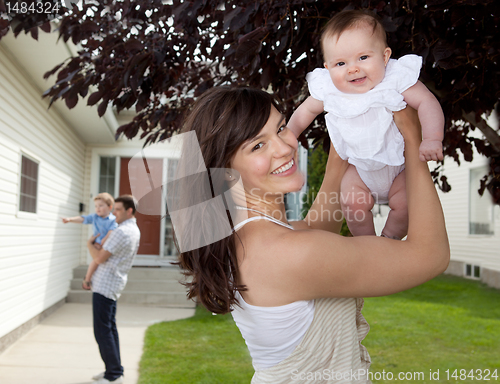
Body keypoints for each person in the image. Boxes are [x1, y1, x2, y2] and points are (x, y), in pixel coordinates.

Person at [176, 87, 449, 383]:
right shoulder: (288, 252)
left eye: (281, 128)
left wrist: (345, 139)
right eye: (257, 146)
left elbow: (318, 231)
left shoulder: (253, 234)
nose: (284, 147)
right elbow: (430, 256)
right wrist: (413, 140)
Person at [287, 10, 445, 240]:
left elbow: (427, 102)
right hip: (359, 171)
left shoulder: (395, 79)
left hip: (399, 167)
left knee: (407, 204)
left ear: (384, 56)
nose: (353, 68)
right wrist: (290, 135)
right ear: (328, 68)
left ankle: (388, 240)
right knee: (351, 203)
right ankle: (367, 242)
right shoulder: (330, 90)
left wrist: (432, 138)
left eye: (363, 58)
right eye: (340, 63)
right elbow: (304, 112)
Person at [86, 195, 141, 384]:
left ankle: (113, 375)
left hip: (105, 285)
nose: (113, 212)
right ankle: (114, 369)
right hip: (112, 284)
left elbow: (99, 258)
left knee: (102, 331)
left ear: (129, 211)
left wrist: (89, 245)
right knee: (109, 329)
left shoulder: (121, 232)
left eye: (117, 209)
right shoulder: (133, 229)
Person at [62, 192, 118, 289]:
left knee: (102, 262)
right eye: (96, 206)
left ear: (109, 207)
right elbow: (83, 219)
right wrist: (70, 219)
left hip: (107, 244)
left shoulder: (113, 219)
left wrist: (104, 241)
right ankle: (87, 279)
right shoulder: (94, 217)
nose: (98, 208)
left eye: (101, 205)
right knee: (96, 261)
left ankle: (91, 279)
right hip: (97, 244)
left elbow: (111, 232)